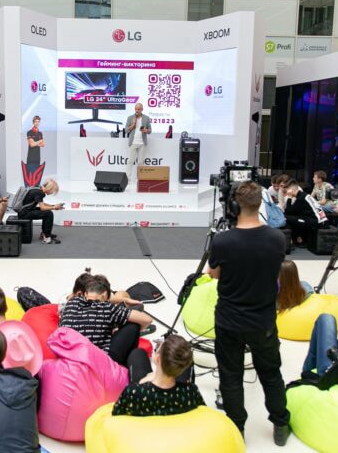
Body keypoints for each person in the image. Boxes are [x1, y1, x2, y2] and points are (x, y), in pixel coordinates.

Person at [207, 181, 292, 444]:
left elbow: (214, 274)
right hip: (263, 320)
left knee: (230, 375)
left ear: (234, 206)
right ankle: (280, 423)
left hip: (229, 321)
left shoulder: (222, 241)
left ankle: (237, 429)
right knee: (271, 372)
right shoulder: (277, 238)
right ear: (261, 204)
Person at [58, 277, 154, 367]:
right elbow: (147, 320)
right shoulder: (107, 308)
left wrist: (123, 299)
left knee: (124, 313)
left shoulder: (72, 302)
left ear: (85, 293)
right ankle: (125, 368)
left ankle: (117, 324)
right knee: (133, 325)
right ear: (105, 295)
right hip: (97, 363)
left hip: (68, 355)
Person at [113, 334, 205, 417]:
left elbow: (116, 415)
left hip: (144, 425)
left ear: (157, 359)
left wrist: (141, 383)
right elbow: (202, 412)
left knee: (137, 353)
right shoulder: (191, 392)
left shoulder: (133, 392)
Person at [15, 178, 63, 244]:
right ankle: (46, 237)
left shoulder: (38, 189)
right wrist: (54, 208)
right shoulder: (40, 193)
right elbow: (42, 207)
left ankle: (44, 233)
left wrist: (53, 205)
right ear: (49, 188)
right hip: (25, 214)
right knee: (49, 214)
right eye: (53, 191)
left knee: (47, 213)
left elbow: (41, 204)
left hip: (24, 211)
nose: (52, 193)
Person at [282, 180, 323, 248]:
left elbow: (288, 211)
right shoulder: (304, 195)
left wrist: (289, 198)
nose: (286, 192)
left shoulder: (301, 198)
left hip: (316, 221)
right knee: (294, 218)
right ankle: (298, 239)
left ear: (291, 190)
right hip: (319, 220)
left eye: (287, 190)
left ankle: (294, 241)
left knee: (286, 217)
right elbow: (294, 212)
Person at [124, 103, 152, 184]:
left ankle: (138, 179)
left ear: (142, 109)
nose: (137, 110)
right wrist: (133, 125)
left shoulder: (146, 118)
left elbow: (150, 130)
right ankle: (127, 179)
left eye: (139, 109)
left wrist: (146, 130)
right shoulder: (130, 118)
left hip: (142, 143)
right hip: (133, 142)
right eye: (136, 109)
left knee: (140, 162)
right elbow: (126, 130)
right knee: (130, 161)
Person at [24, 115, 46, 187]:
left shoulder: (40, 133)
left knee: (36, 178)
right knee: (30, 179)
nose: (37, 123)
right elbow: (31, 145)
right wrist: (39, 141)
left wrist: (35, 142)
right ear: (33, 122)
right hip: (31, 158)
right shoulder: (29, 132)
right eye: (36, 122)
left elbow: (43, 144)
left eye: (38, 122)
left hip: (37, 158)